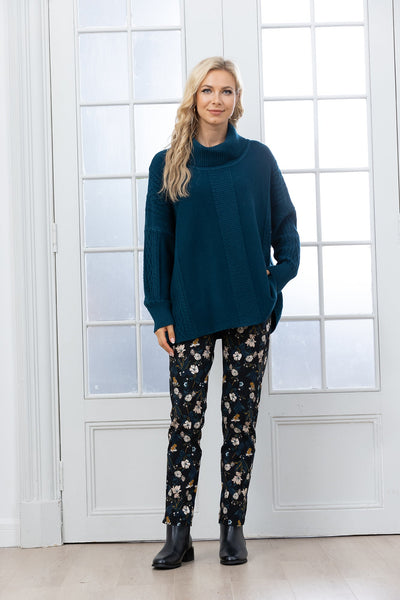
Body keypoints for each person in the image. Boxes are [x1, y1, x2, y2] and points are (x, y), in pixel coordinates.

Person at [143, 56, 300, 569]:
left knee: (240, 424)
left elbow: (287, 232)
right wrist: (159, 308)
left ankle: (233, 529)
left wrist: (271, 283)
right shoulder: (167, 163)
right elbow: (157, 242)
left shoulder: (259, 160)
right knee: (184, 425)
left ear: (237, 101)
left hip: (249, 313)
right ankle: (178, 534)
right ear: (194, 97)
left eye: (226, 91)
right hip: (189, 311)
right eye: (208, 90)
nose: (217, 100)